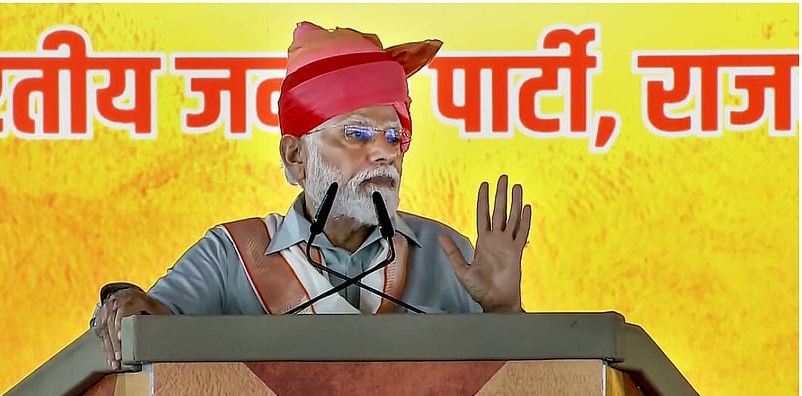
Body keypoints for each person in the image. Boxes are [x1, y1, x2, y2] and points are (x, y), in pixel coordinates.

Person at [91, 21, 532, 369]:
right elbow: (143, 332)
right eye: (357, 133)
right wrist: (124, 306)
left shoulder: (448, 255)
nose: (385, 153)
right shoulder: (231, 257)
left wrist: (505, 312)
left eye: (394, 136)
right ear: (295, 156)